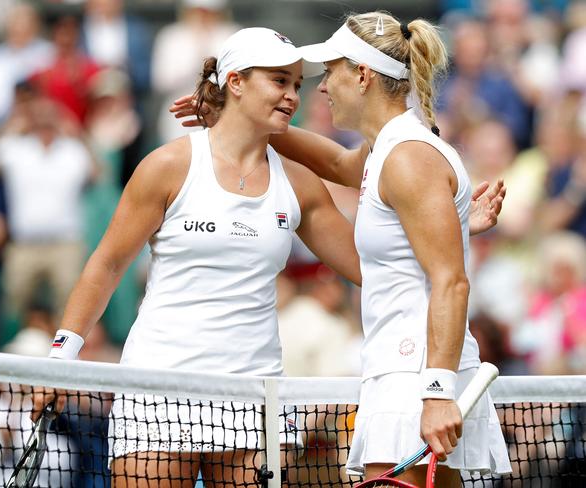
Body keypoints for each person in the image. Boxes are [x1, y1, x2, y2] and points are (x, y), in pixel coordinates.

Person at [36, 24, 503, 488]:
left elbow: (374, 267)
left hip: (255, 397)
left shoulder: (304, 183)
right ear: (235, 82)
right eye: (280, 81)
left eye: (298, 83)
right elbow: (108, 264)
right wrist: (61, 356)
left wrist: (446, 225)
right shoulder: (167, 167)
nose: (297, 95)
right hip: (158, 390)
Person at [171, 12, 511, 488]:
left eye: (330, 71)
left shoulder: (409, 156)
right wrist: (239, 114)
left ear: (363, 75)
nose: (322, 87)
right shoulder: (390, 148)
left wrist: (436, 392)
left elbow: (451, 281)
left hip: (415, 374)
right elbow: (338, 163)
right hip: (406, 369)